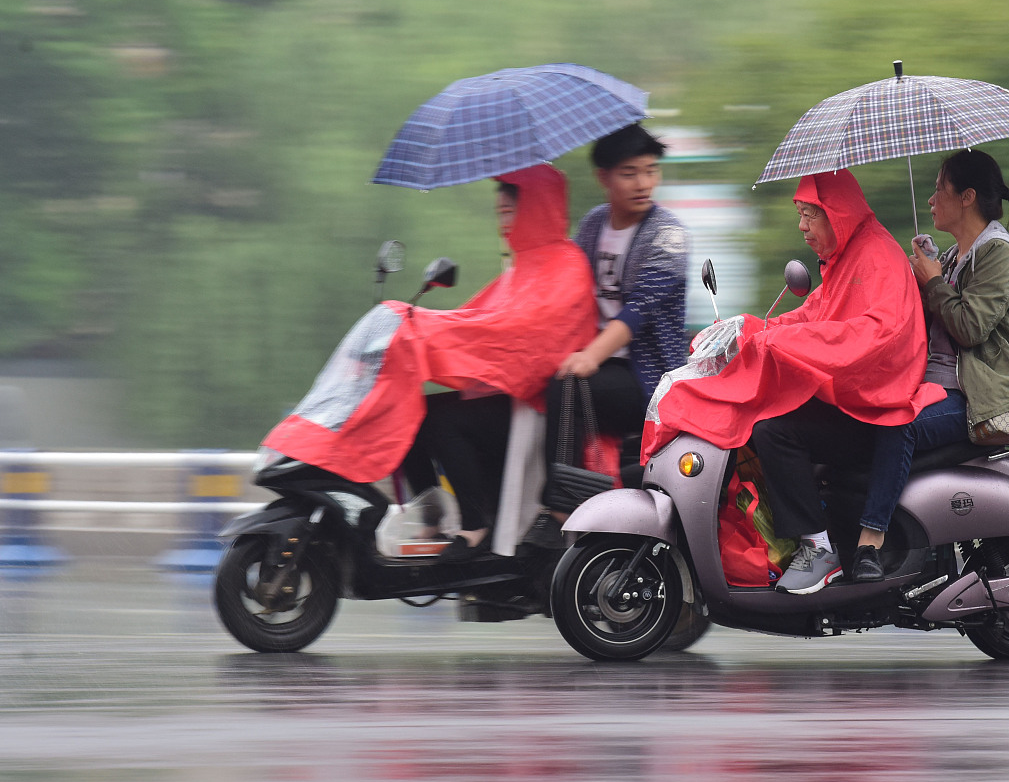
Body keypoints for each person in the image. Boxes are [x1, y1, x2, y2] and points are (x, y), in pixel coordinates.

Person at [262, 163, 598, 561]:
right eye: (501, 210)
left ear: (539, 206)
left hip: (536, 405)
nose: (503, 218)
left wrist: (427, 332)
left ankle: (474, 527)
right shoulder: (524, 267)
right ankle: (431, 519)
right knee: (408, 410)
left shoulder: (565, 264)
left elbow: (520, 335)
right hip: (509, 394)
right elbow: (481, 322)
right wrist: (416, 327)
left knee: (445, 422)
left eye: (512, 207)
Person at [640, 169, 944, 594]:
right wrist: (749, 330)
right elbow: (812, 314)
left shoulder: (877, 258)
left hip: (877, 406)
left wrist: (783, 339)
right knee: (766, 412)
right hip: (854, 398)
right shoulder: (846, 258)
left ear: (836, 215)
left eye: (809, 215)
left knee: (773, 431)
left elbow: (876, 334)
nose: (801, 225)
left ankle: (818, 549)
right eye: (799, 214)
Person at [850, 149, 1009, 582]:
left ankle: (870, 543)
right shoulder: (958, 255)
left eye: (940, 188)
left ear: (968, 197)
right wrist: (917, 276)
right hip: (939, 387)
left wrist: (934, 280)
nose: (933, 199)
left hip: (978, 396)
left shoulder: (998, 254)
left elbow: (970, 327)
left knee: (900, 424)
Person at [523, 124, 689, 545]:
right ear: (604, 177)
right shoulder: (593, 226)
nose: (644, 183)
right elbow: (567, 289)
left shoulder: (668, 235)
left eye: (651, 171)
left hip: (651, 380)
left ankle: (561, 507)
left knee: (570, 386)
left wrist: (590, 356)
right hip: (600, 368)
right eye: (630, 173)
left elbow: (638, 312)